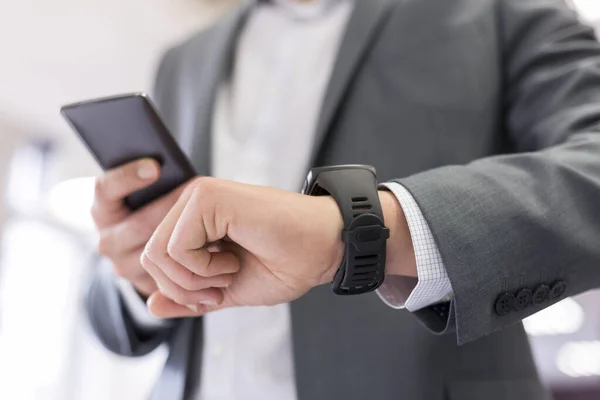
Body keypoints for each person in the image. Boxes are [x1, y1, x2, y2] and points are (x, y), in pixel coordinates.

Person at [86, 0, 600, 399]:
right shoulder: (184, 60)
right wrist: (135, 274)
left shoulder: (494, 10)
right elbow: (107, 318)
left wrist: (352, 233)